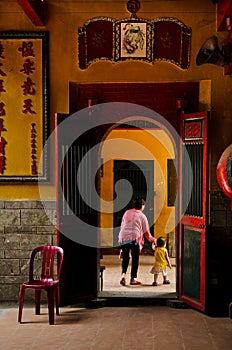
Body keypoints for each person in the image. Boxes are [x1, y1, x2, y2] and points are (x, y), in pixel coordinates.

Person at [118, 197, 156, 286]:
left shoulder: (127, 212)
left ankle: (123, 275)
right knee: (135, 259)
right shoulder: (142, 216)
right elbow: (147, 233)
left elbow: (122, 226)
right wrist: (155, 240)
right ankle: (132, 279)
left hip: (123, 237)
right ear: (142, 206)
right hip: (134, 239)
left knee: (126, 258)